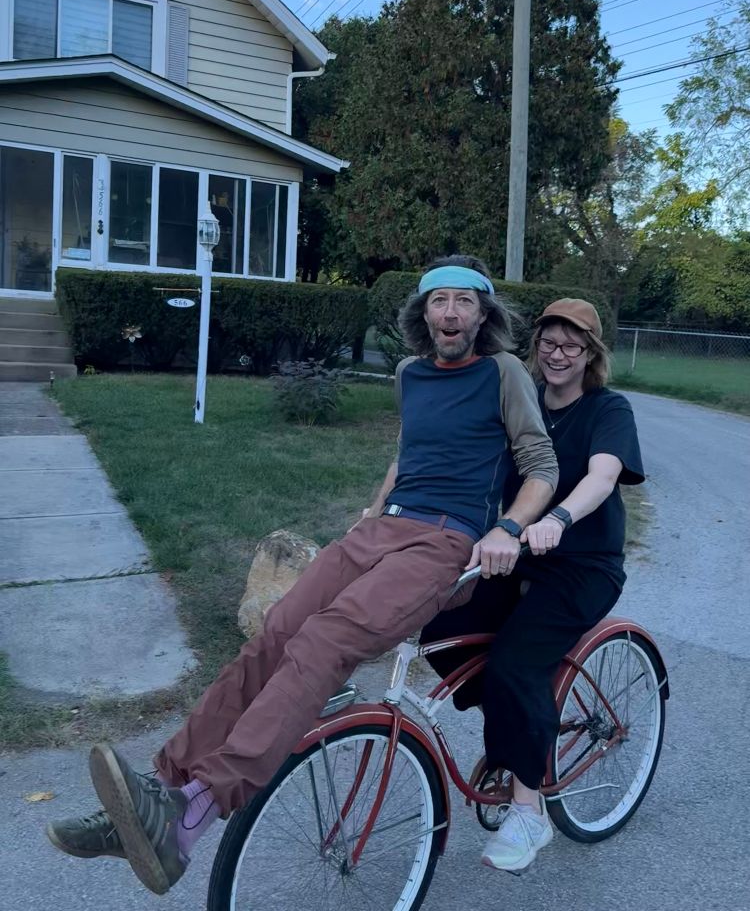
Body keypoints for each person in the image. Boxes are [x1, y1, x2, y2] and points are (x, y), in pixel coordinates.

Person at [46, 255, 558, 896]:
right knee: (277, 630)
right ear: (421, 313)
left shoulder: (503, 372)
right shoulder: (410, 374)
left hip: (446, 541)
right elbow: (409, 454)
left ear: (483, 315)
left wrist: (506, 529)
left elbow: (540, 463)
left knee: (325, 639)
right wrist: (372, 515)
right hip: (382, 530)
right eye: (438, 301)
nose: (450, 313)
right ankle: (159, 789)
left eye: (463, 302)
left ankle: (197, 809)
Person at [420, 297, 645, 874]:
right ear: (535, 345)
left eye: (572, 344)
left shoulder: (607, 408)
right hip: (516, 555)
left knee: (517, 663)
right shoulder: (519, 398)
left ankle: (530, 809)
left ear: (590, 354)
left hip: (582, 565)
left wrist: (557, 520)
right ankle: (513, 735)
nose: (558, 354)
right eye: (549, 341)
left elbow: (603, 475)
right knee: (439, 630)